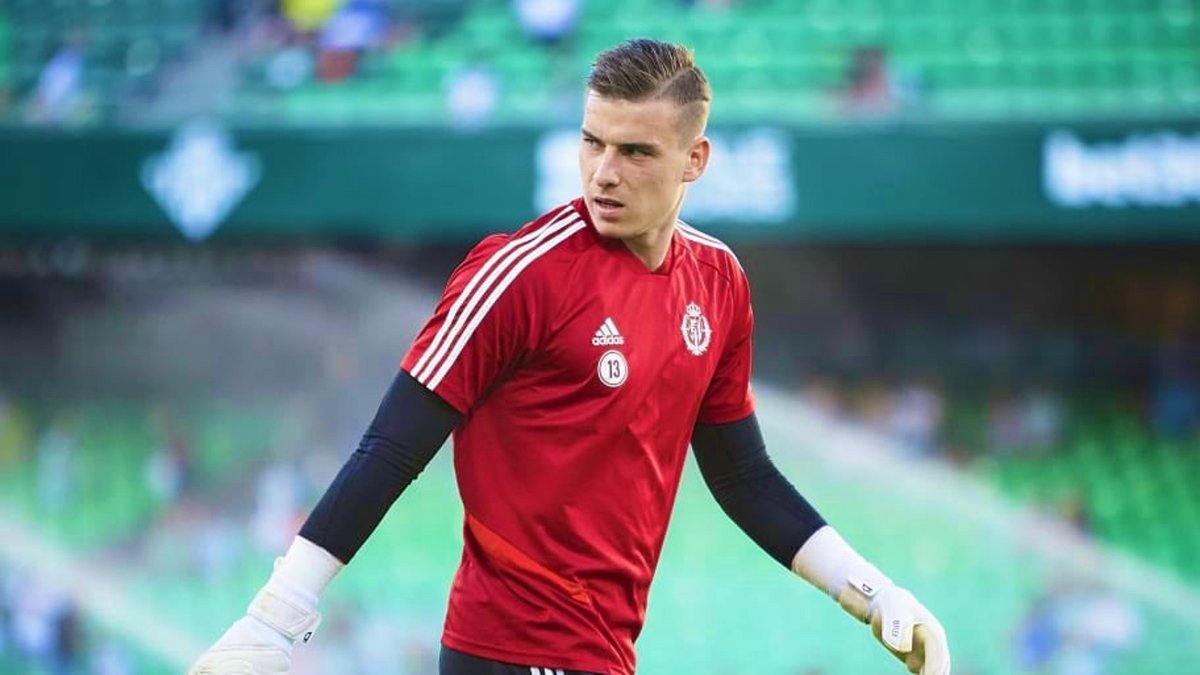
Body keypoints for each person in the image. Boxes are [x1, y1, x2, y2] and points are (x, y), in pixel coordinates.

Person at [188, 39, 951, 675]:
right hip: (507, 649)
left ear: (695, 159)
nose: (604, 171)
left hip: (604, 653)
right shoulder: (519, 272)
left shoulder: (719, 282)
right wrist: (277, 616)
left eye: (636, 151)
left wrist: (872, 593)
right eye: (592, 142)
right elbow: (390, 447)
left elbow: (744, 476)